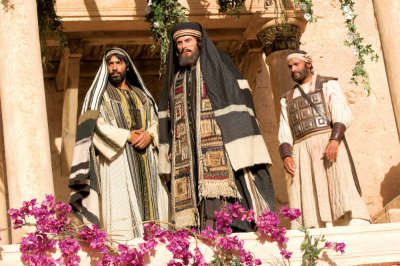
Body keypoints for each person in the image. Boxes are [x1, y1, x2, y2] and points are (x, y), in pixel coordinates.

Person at [158, 22, 275, 231]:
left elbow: (237, 98)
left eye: (188, 41)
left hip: (217, 140)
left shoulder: (218, 64)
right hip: (186, 146)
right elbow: (170, 115)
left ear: (198, 42)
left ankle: (223, 225)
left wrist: (232, 131)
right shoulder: (176, 77)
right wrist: (170, 142)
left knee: (219, 188)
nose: (184, 46)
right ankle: (198, 227)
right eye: (179, 43)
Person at [69, 48, 168, 240]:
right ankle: (125, 253)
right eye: (110, 63)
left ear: (127, 66)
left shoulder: (143, 96)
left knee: (157, 211)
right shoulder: (99, 96)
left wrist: (149, 135)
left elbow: (157, 122)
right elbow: (96, 126)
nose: (114, 68)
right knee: (122, 211)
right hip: (117, 159)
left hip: (149, 159)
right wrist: (127, 136)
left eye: (118, 63)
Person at [278, 50, 370, 229]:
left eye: (296, 64)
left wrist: (335, 140)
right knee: (308, 189)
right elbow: (284, 130)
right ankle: (314, 225)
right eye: (290, 67)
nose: (293, 69)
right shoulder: (287, 98)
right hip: (302, 148)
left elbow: (341, 112)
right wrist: (286, 155)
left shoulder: (327, 85)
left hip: (328, 139)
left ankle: (355, 217)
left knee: (340, 179)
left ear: (308, 64)